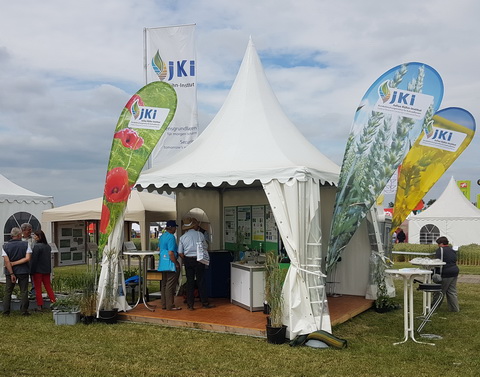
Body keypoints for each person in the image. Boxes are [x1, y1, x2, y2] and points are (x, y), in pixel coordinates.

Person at [178, 217, 214, 310]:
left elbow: (180, 252)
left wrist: (186, 258)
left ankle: (190, 305)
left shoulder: (182, 237)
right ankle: (204, 302)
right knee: (201, 281)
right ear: (194, 225)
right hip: (199, 259)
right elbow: (205, 246)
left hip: (188, 259)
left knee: (190, 281)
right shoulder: (200, 235)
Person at [2, 227, 32, 316]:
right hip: (23, 271)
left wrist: (11, 273)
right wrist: (15, 263)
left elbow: (7, 262)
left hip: (10, 272)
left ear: (12, 235)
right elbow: (27, 258)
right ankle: (24, 311)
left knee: (8, 291)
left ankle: (6, 312)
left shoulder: (5, 246)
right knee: (24, 291)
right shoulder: (26, 244)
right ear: (19, 235)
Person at [158, 220, 181, 311]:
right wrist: (176, 263)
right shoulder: (171, 237)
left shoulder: (162, 236)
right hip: (170, 263)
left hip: (162, 263)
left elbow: (159, 248)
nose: (175, 229)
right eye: (175, 227)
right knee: (170, 285)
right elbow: (171, 252)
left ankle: (164, 304)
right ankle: (170, 305)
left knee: (164, 284)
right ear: (171, 228)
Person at [29, 230, 56, 310]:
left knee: (38, 288)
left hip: (37, 270)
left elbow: (34, 260)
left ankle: (40, 305)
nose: (34, 237)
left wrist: (31, 270)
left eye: (35, 236)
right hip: (46, 270)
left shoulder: (37, 246)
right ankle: (53, 302)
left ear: (39, 237)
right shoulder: (47, 246)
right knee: (48, 287)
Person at [434, 236, 460, 312]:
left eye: (438, 244)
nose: (438, 245)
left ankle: (434, 307)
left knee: (440, 291)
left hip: (446, 272)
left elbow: (437, 261)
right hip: (454, 271)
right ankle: (454, 309)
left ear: (441, 244)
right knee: (452, 291)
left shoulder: (440, 250)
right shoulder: (452, 250)